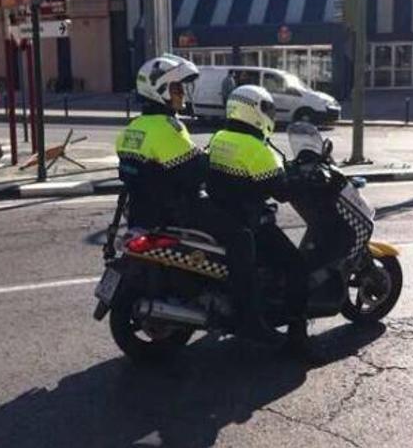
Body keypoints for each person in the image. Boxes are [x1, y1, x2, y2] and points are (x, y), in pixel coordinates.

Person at [206, 85, 314, 355]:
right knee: (297, 266)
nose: (271, 115)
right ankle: (298, 337)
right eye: (266, 109)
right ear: (252, 111)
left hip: (222, 215)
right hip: (250, 221)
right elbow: (281, 191)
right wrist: (303, 180)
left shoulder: (220, 137)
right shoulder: (255, 148)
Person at [115, 54, 205, 229]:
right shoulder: (168, 126)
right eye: (177, 88)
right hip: (174, 215)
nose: (182, 94)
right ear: (160, 89)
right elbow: (196, 170)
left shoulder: (132, 127)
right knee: (240, 235)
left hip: (138, 215)